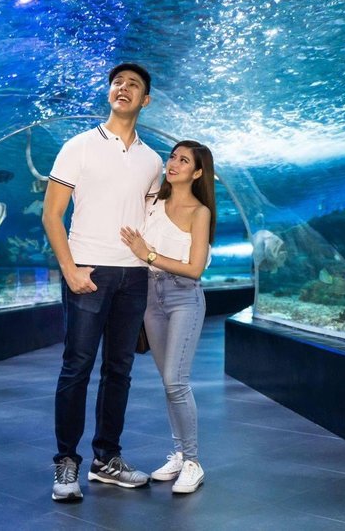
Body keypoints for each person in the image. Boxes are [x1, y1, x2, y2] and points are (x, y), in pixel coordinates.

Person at [43, 63, 163, 502]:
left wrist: (153, 267)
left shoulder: (153, 161)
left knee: (121, 371)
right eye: (117, 83)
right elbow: (51, 214)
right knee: (76, 367)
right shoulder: (78, 146)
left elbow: (150, 222)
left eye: (133, 84)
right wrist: (70, 268)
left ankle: (106, 458)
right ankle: (66, 462)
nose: (123, 87)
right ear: (109, 94)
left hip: (133, 277)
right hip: (88, 270)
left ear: (145, 100)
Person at [120, 140, 216, 495]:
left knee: (177, 381)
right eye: (173, 157)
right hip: (150, 296)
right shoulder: (153, 202)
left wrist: (149, 253)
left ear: (198, 172)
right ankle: (177, 453)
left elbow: (194, 269)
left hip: (183, 297)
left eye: (184, 160)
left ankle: (193, 461)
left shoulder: (200, 212)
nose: (173, 163)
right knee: (168, 382)